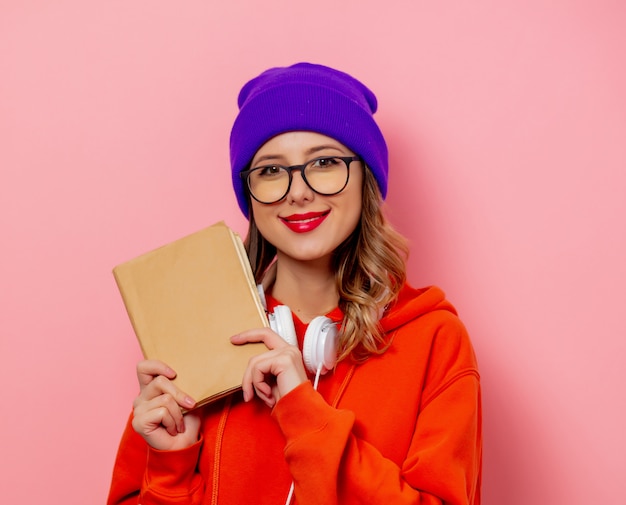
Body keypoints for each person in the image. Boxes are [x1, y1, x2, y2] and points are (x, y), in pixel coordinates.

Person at [107, 62, 482, 505]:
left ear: (366, 179)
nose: (297, 191)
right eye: (270, 170)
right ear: (249, 193)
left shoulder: (435, 340)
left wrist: (304, 413)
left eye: (324, 163)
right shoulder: (195, 336)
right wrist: (169, 467)